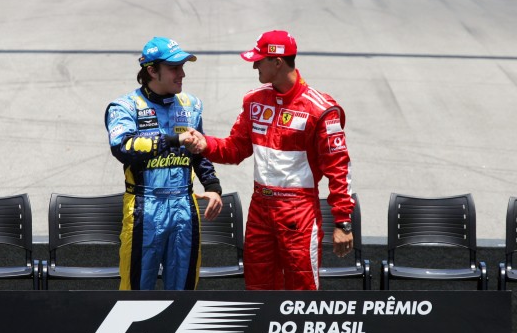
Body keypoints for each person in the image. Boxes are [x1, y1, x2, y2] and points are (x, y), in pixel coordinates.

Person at [184, 30, 354, 290]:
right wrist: (206, 144)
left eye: (259, 60)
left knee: (302, 292)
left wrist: (343, 221)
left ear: (278, 62)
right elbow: (235, 149)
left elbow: (339, 170)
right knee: (258, 292)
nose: (254, 65)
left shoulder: (321, 109)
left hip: (298, 210)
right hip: (260, 209)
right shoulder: (254, 101)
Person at [105, 36, 223, 290]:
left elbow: (198, 152)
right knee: (136, 291)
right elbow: (122, 147)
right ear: (151, 71)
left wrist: (213, 185)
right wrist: (172, 139)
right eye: (174, 68)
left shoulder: (191, 105)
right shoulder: (125, 107)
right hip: (144, 207)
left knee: (184, 292)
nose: (182, 74)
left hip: (184, 207)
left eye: (182, 67)